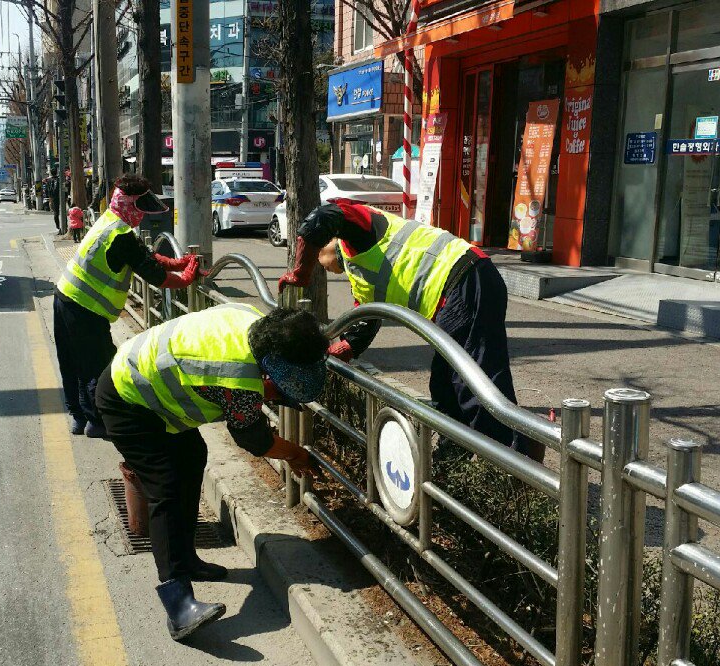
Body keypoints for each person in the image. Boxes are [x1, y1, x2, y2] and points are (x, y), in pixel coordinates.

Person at [95, 304, 327, 640]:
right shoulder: (239, 379)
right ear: (267, 372)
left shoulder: (255, 323)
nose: (276, 397)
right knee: (167, 486)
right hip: (127, 398)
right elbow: (255, 440)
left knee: (192, 456)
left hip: (150, 388)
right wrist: (294, 454)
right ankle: (178, 605)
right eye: (279, 390)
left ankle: (187, 559)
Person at [279, 199, 541, 459]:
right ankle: (456, 455)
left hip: (464, 278)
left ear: (332, 241)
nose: (324, 268)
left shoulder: (361, 230)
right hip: (459, 291)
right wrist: (324, 359)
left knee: (472, 383)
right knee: (445, 386)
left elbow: (319, 219)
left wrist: (302, 271)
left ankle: (510, 464)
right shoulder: (360, 278)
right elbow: (359, 332)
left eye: (320, 257)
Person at [54, 173, 199, 438]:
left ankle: (78, 417)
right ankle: (98, 422)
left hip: (65, 296)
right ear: (131, 205)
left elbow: (142, 255)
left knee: (72, 361)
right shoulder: (120, 233)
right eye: (141, 209)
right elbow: (154, 275)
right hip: (84, 307)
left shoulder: (109, 221)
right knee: (99, 365)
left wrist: (177, 263)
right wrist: (187, 278)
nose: (144, 216)